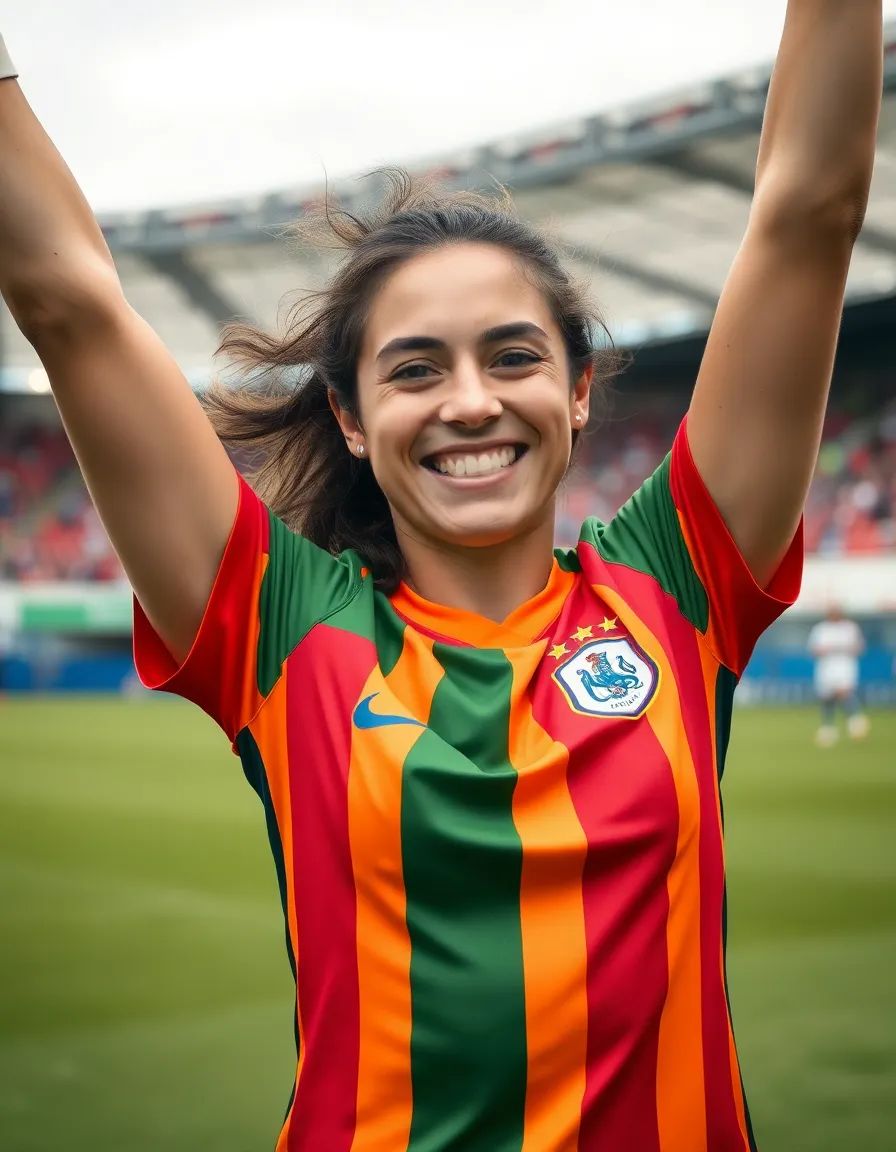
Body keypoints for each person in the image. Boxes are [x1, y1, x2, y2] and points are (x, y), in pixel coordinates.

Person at [0, 5, 883, 1148]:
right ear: (350, 418)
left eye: (512, 356)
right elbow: (68, 302)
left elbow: (809, 211)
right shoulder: (279, 628)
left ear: (576, 391)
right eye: (414, 370)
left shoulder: (677, 583)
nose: (470, 401)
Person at [808, 605, 869, 746]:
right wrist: (824, 650)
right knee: (827, 697)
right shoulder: (820, 629)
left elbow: (859, 647)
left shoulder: (850, 628)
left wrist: (843, 648)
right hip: (826, 668)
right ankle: (828, 729)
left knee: (844, 693)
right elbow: (814, 649)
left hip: (844, 667)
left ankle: (856, 721)